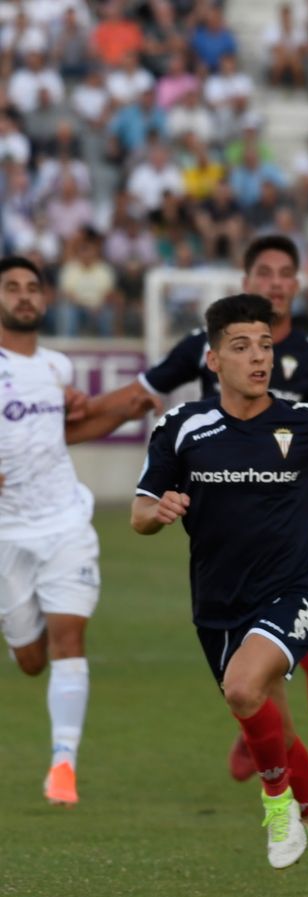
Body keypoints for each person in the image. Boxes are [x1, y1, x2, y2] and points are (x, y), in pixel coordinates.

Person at [106, 235, 308, 812]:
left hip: (291, 536)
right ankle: (259, 727)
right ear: (247, 280)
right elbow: (142, 396)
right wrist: (73, 417)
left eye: (286, 274)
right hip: (220, 543)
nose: (276, 283)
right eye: (265, 273)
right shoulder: (199, 355)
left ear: (297, 287)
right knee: (257, 687)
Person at [133, 293, 308, 897]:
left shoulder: (307, 419)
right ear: (213, 360)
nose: (258, 357)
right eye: (241, 347)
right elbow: (139, 511)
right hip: (216, 605)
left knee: (243, 691)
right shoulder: (182, 428)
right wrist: (158, 512)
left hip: (291, 591)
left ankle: (276, 804)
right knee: (281, 732)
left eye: (264, 345)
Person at [0, 256, 156, 806]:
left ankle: (62, 765)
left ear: (44, 300)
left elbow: (70, 431)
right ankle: (26, 626)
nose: (23, 296)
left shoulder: (57, 368)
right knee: (30, 660)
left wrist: (126, 410)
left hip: (66, 521)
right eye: (12, 288)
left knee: (70, 638)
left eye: (31, 288)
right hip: (7, 536)